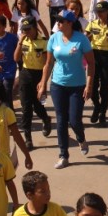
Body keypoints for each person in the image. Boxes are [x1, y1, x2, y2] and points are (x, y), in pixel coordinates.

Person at [38, 10, 95, 168]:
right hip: (58, 85)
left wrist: (89, 85)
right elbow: (48, 63)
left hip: (77, 85)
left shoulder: (81, 39)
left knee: (75, 119)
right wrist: (43, 84)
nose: (58, 23)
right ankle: (64, 155)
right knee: (61, 120)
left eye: (61, 21)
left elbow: (91, 63)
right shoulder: (54, 38)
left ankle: (81, 138)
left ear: (70, 23)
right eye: (57, 20)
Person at [14, 18, 53, 149]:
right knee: (26, 108)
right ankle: (28, 138)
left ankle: (46, 119)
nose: (27, 32)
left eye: (29, 29)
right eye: (24, 30)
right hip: (25, 74)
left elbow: (47, 64)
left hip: (38, 76)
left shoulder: (43, 42)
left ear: (35, 28)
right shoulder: (23, 41)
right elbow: (16, 58)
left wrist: (44, 82)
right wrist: (20, 42)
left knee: (37, 105)